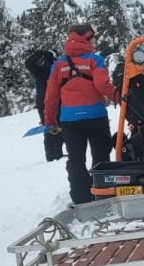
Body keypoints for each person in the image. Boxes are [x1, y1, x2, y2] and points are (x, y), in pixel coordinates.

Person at [43, 24, 119, 205]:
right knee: (101, 156)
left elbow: (51, 97)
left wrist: (50, 122)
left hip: (70, 120)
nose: (95, 41)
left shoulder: (58, 65)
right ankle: (103, 193)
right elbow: (102, 85)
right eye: (93, 38)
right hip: (96, 117)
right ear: (87, 38)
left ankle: (81, 198)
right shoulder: (95, 60)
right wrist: (119, 96)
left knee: (76, 159)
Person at [24, 48, 64, 162]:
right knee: (57, 128)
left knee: (51, 129)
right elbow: (29, 64)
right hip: (54, 103)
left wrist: (40, 53)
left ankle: (54, 155)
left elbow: (29, 63)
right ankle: (54, 155)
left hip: (48, 103)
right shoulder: (49, 71)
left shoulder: (41, 71)